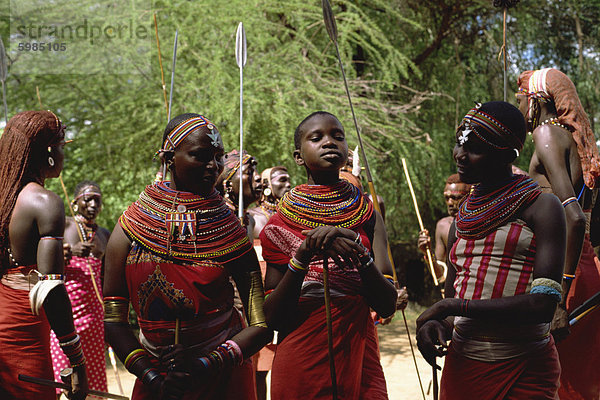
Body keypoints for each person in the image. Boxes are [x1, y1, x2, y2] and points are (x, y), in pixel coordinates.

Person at [103, 113, 272, 399]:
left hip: (221, 376)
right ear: (169, 158)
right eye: (200, 155)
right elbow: (113, 320)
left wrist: (204, 365)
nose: (213, 166)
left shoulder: (229, 229)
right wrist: (152, 377)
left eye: (218, 156)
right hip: (156, 379)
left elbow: (260, 324)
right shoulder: (130, 227)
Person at [416, 101, 565, 399]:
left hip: (525, 367)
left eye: (474, 148)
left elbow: (543, 306)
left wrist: (455, 308)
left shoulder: (542, 207)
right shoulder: (463, 217)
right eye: (459, 143)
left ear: (508, 154)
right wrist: (437, 326)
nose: (460, 155)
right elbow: (452, 299)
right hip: (464, 367)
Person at [261, 111, 397, 399]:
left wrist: (360, 255)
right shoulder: (279, 223)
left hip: (357, 347)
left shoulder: (366, 213)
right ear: (298, 157)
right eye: (317, 137)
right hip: (302, 353)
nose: (329, 142)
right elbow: (272, 317)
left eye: (338, 136)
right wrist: (303, 256)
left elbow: (386, 304)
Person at [517, 68, 600, 399]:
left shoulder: (547, 135)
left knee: (562, 385)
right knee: (580, 383)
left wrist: (560, 299)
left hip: (568, 277)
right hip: (582, 270)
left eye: (518, 98)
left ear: (536, 101)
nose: (516, 106)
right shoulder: (570, 139)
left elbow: (575, 219)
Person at [0, 110, 88, 399]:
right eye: (62, 146)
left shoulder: (6, 201)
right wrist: (76, 358)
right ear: (49, 152)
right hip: (24, 336)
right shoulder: (44, 202)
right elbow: (50, 287)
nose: (64, 154)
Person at [50, 181, 110, 396]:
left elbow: (108, 278)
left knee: (91, 383)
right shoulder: (64, 225)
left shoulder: (104, 234)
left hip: (94, 317)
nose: (93, 204)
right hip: (66, 313)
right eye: (88, 199)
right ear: (75, 203)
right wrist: (68, 252)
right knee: (59, 376)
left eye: (97, 199)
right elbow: (43, 258)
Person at [247, 166, 291, 400]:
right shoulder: (252, 217)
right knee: (258, 369)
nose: (288, 184)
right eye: (281, 180)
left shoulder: (292, 217)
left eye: (289, 179)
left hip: (286, 292)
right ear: (265, 185)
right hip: (259, 296)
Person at [418, 174, 470, 283]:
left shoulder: (480, 224)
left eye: (456, 198)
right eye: (447, 198)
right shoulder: (443, 226)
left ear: (469, 196)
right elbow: (440, 276)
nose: (450, 203)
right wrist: (428, 254)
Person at [216, 149, 262, 238]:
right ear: (229, 184)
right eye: (249, 172)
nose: (258, 177)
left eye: (256, 171)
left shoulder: (250, 221)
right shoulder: (217, 220)